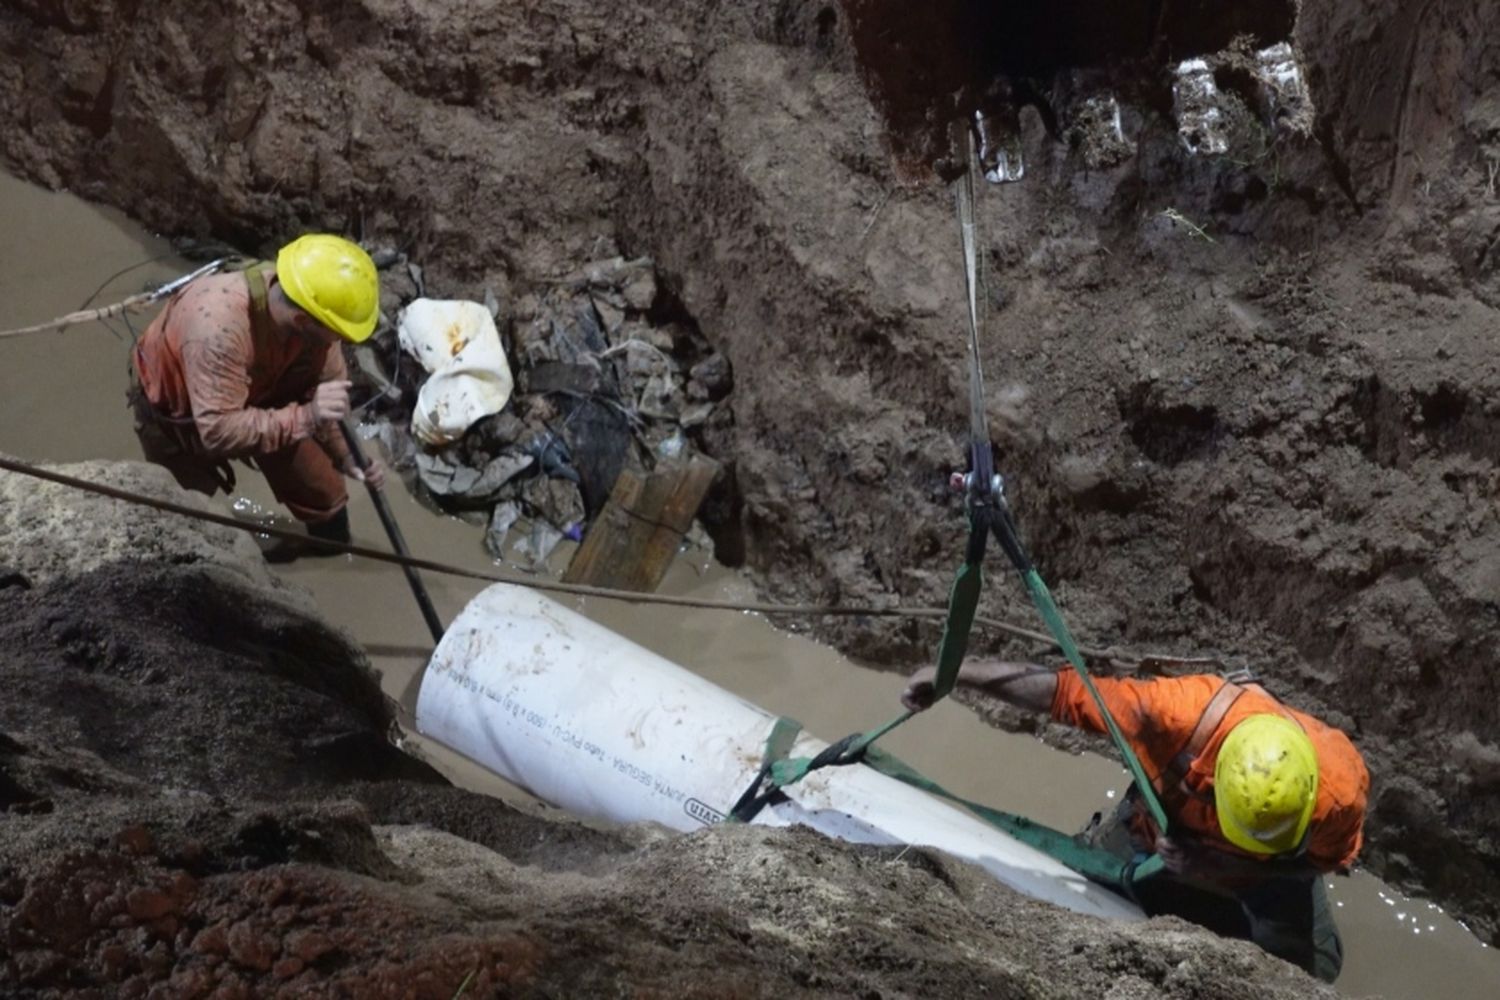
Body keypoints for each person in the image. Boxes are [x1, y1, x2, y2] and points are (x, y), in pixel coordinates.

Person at [901, 659, 1369, 983]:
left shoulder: (1340, 792)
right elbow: (1064, 693)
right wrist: (957, 673)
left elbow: (1320, 863)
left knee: (1315, 970)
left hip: (1258, 876)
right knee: (1068, 901)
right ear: (1215, 775)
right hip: (1158, 836)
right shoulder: (1173, 716)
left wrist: (1224, 867)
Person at [128, 234, 386, 559]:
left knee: (322, 489)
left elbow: (329, 394)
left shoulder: (314, 319)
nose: (338, 341)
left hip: (267, 394)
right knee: (190, 513)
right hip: (185, 416)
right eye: (336, 333)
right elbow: (218, 432)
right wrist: (307, 417)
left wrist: (347, 456)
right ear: (303, 320)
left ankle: (331, 550)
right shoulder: (217, 330)